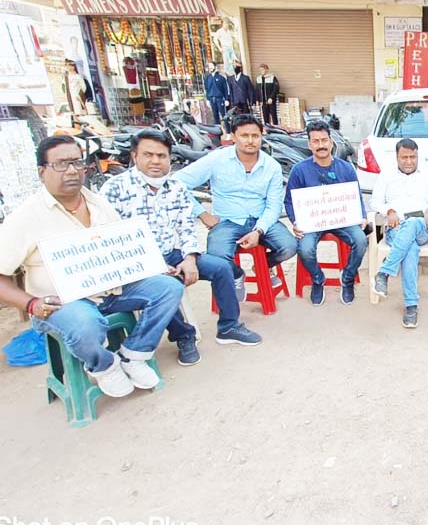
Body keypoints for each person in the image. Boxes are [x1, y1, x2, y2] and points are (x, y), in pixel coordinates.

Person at [0, 136, 184, 397]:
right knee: (85, 323)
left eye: (77, 162)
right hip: (62, 304)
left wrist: (150, 265)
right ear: (43, 171)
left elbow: (121, 249)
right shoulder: (25, 218)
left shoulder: (99, 203)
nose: (73, 170)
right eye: (61, 164)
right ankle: (104, 365)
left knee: (168, 288)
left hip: (111, 291)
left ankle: (134, 353)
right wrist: (31, 304)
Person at [101, 130, 262, 364]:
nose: (156, 161)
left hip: (172, 252)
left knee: (221, 267)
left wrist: (190, 257)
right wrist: (152, 266)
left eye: (162, 155)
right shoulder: (114, 190)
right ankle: (184, 336)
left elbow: (187, 227)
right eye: (148, 155)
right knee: (165, 287)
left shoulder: (175, 188)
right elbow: (108, 239)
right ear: (135, 156)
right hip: (137, 263)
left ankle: (229, 326)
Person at [172, 115, 298, 300]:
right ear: (233, 136)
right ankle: (237, 274)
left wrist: (259, 231)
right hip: (227, 221)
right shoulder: (217, 159)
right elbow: (175, 183)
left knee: (290, 246)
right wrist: (202, 213)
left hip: (260, 219)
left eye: (255, 136)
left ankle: (264, 266)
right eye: (244, 135)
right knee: (216, 258)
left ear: (261, 136)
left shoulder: (271, 166)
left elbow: (273, 206)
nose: (250, 141)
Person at [286, 120, 367, 306]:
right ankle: (317, 279)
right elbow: (289, 200)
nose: (321, 145)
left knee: (361, 240)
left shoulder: (346, 168)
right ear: (309, 144)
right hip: (312, 223)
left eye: (324, 140)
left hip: (341, 219)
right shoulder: (299, 170)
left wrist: (361, 215)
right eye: (315, 141)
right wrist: (295, 222)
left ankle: (347, 278)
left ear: (331, 142)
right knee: (305, 248)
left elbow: (356, 195)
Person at [370, 138, 428, 328]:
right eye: (404, 157)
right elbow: (375, 202)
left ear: (417, 155)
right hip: (395, 227)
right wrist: (388, 211)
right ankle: (411, 306)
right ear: (397, 157)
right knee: (410, 250)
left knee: (412, 223)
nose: (409, 161)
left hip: (421, 227)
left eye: (413, 157)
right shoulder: (386, 175)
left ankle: (385, 273)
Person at [205, 62, 229, 126]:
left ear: (215, 67)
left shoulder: (221, 78)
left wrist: (227, 99)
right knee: (215, 115)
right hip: (211, 99)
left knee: (224, 115)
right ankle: (217, 131)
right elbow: (207, 89)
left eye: (212, 66)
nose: (210, 68)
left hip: (220, 99)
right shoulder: (207, 78)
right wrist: (207, 99)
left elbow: (226, 89)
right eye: (209, 66)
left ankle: (228, 132)